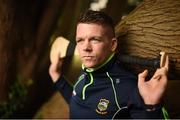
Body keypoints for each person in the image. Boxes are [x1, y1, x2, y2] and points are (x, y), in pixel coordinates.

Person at [49, 10, 169, 119]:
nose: (86, 47)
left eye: (95, 39)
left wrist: (152, 106)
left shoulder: (129, 88)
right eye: (80, 40)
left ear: (113, 45)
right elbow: (77, 100)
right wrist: (56, 76)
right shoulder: (86, 73)